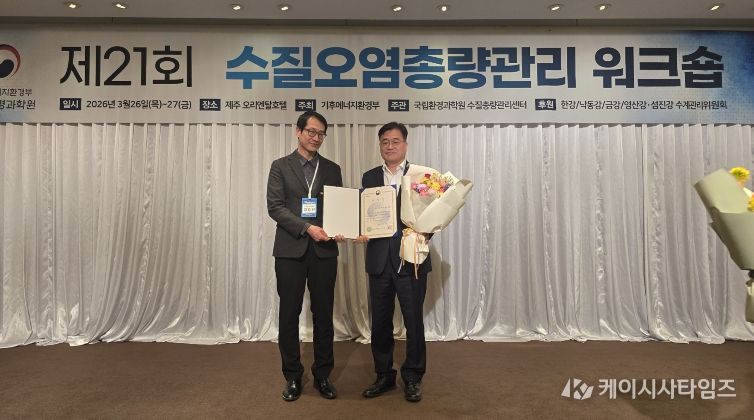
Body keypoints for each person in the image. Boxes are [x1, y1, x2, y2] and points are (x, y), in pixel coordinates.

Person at [266, 110, 344, 402]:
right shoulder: (280, 166)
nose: (316, 137)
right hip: (290, 250)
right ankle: (292, 376)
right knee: (289, 314)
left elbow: (338, 207)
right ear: (298, 131)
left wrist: (342, 227)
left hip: (324, 251)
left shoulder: (332, 168)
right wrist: (308, 228)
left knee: (323, 314)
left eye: (321, 133)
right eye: (311, 131)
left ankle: (323, 374)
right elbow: (275, 207)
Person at [356, 122, 431, 402]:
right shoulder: (370, 176)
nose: (390, 146)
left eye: (395, 141)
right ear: (380, 146)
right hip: (379, 261)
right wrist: (359, 229)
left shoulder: (420, 176)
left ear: (405, 145)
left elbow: (433, 213)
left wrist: (425, 232)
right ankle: (384, 375)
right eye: (385, 142)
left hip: (411, 260)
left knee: (413, 322)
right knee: (380, 323)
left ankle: (413, 377)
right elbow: (364, 214)